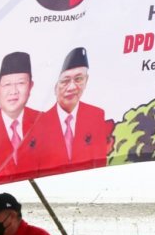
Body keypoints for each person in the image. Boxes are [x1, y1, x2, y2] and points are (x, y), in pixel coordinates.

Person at [36, 47, 112, 176]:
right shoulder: (39, 124)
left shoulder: (96, 116)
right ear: (54, 86)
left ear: (86, 80)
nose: (72, 87)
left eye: (78, 79)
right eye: (65, 81)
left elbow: (100, 165)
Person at [0, 51, 42, 184]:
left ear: (30, 86)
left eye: (21, 83)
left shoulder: (45, 121)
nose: (14, 91)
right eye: (7, 85)